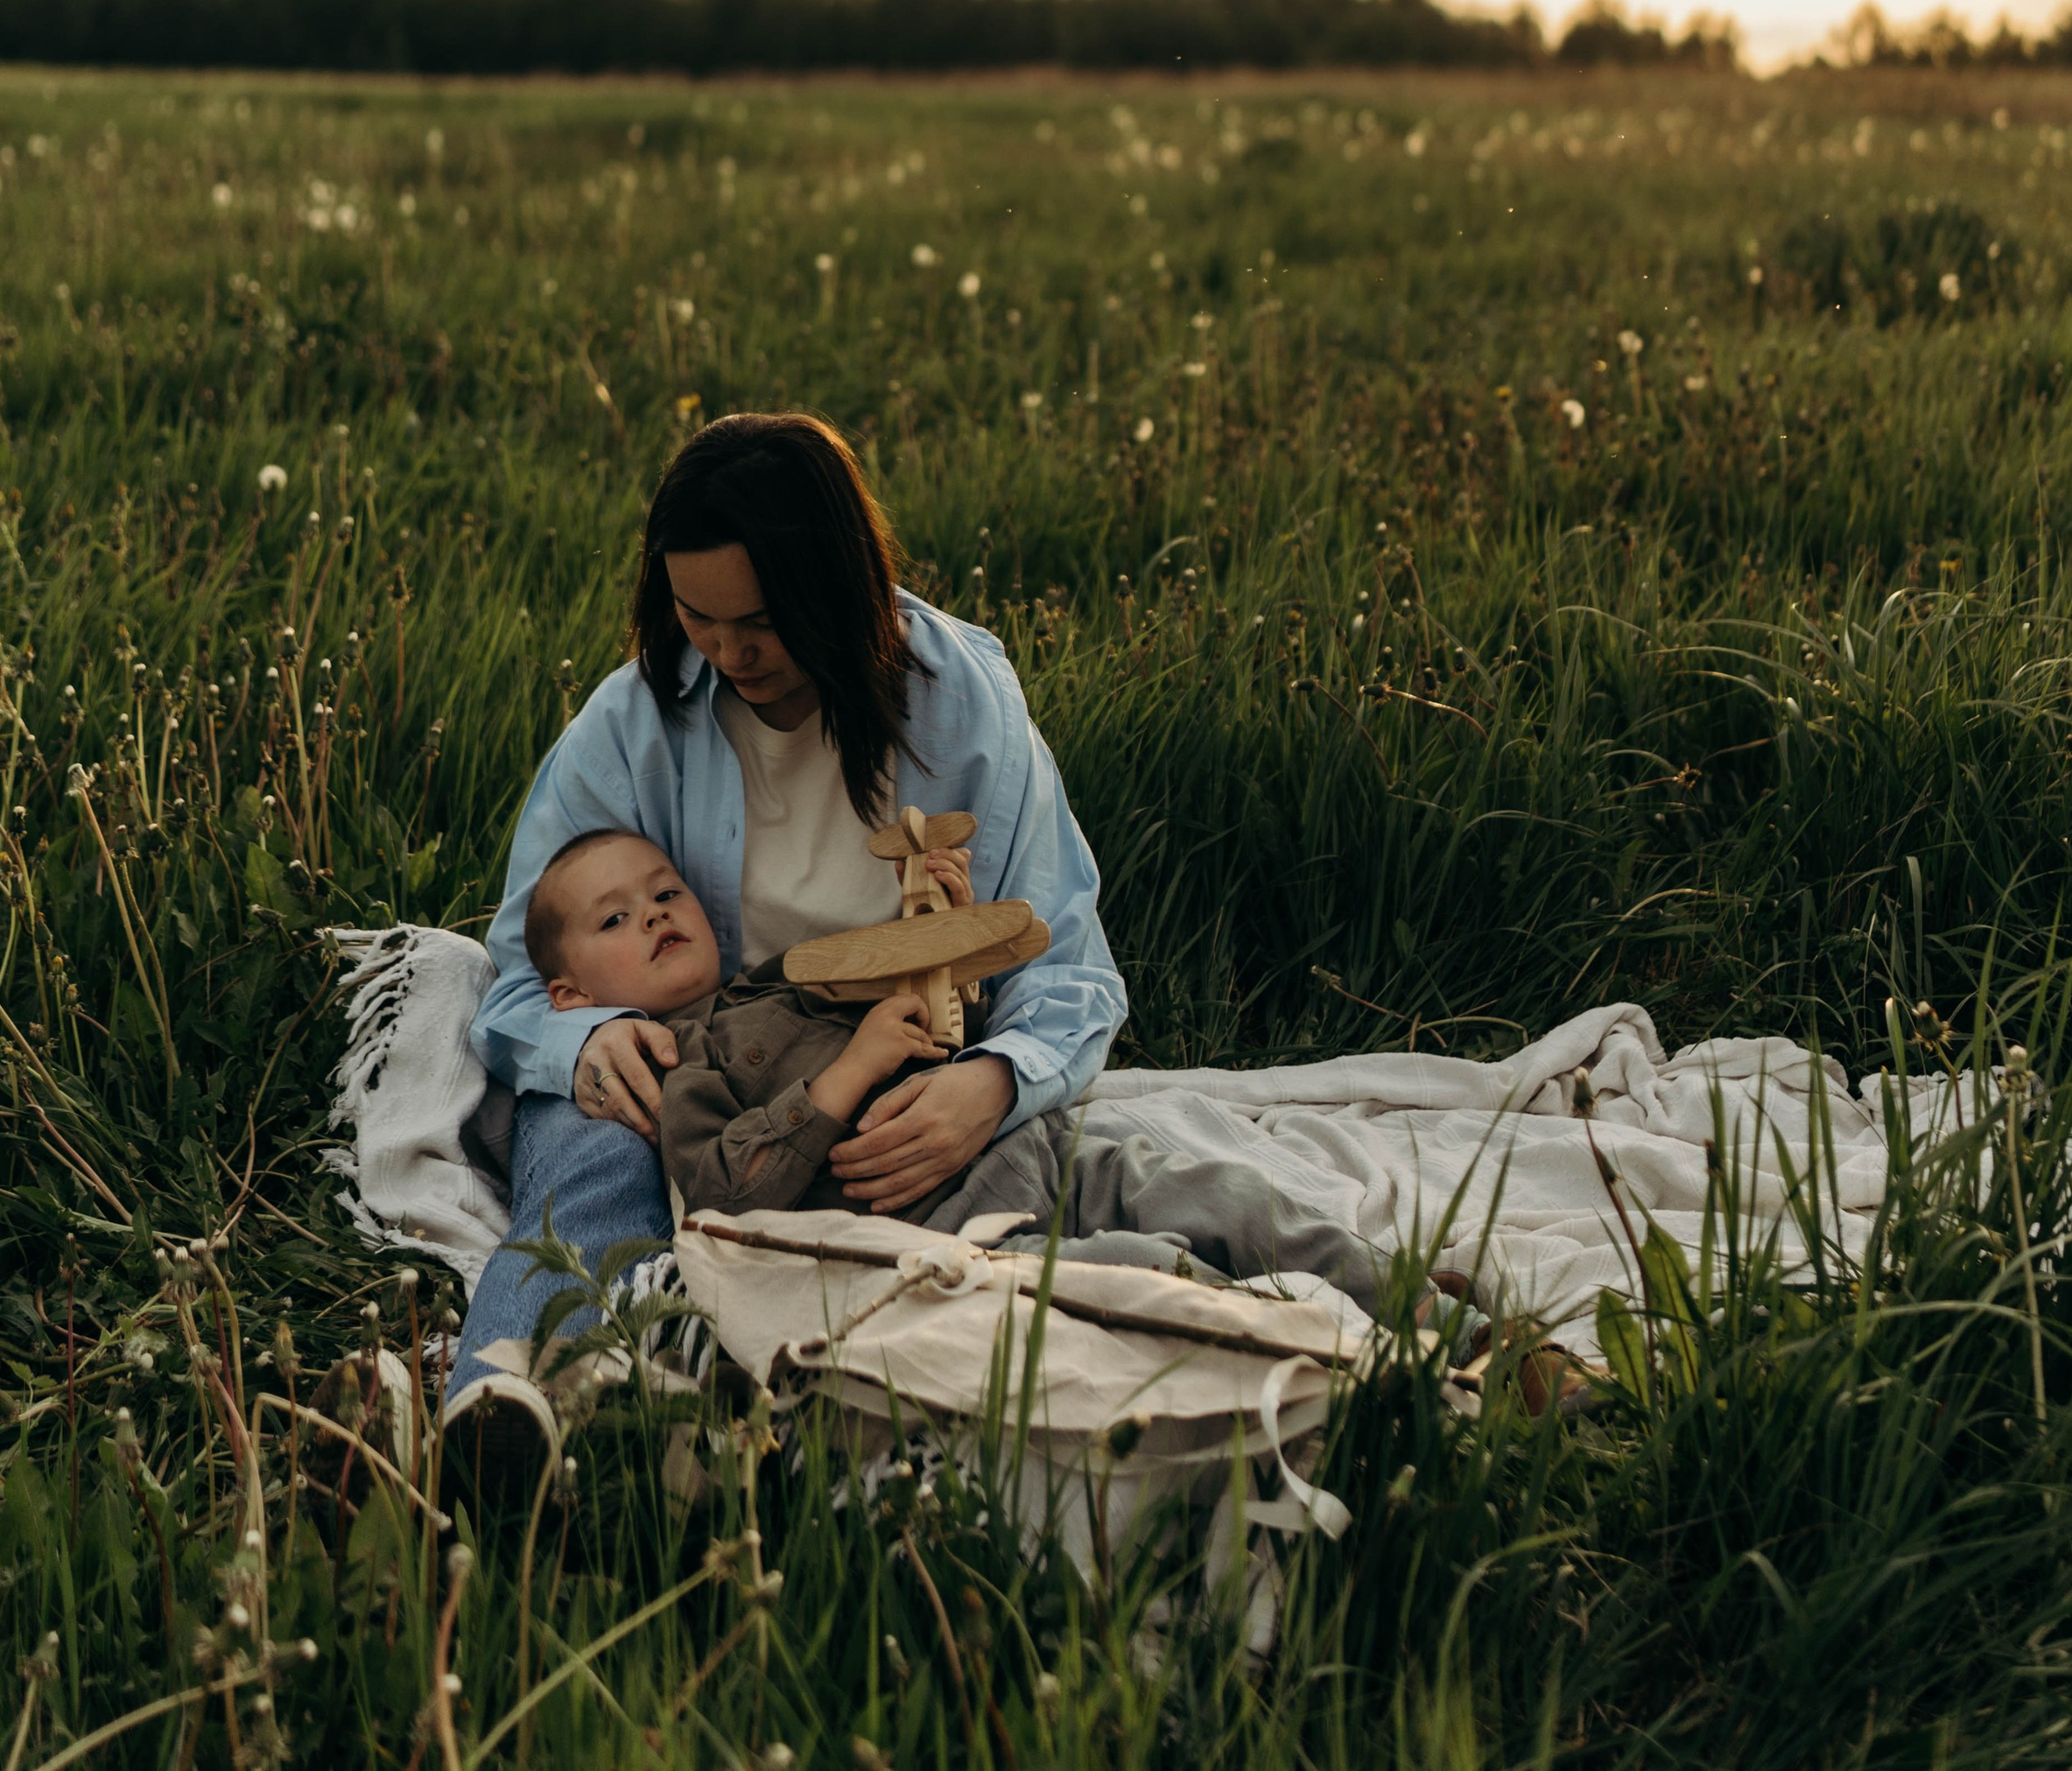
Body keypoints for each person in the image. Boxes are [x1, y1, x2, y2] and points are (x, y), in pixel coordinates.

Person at [451, 411, 1126, 1404]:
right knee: (587, 1162)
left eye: (760, 621)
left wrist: (992, 1082)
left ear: (834, 589)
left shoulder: (961, 706)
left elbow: (1065, 962)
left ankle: (730, 1393)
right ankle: (505, 1391)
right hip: (694, 1068)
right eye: (694, 615)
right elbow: (524, 969)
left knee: (1041, 1204)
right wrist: (586, 1046)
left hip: (881, 1071)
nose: (726, 650)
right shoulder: (634, 720)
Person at [525, 826, 1408, 1320]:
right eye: (616, 920)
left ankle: (1435, 1315)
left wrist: (950, 933)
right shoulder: (682, 1064)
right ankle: (1333, 1355)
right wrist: (849, 1071)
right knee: (1144, 1273)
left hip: (1028, 1146)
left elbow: (948, 1022)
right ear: (569, 995)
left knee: (1228, 1195)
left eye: (666, 892)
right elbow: (727, 1203)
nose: (653, 916)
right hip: (949, 1226)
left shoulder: (803, 972)